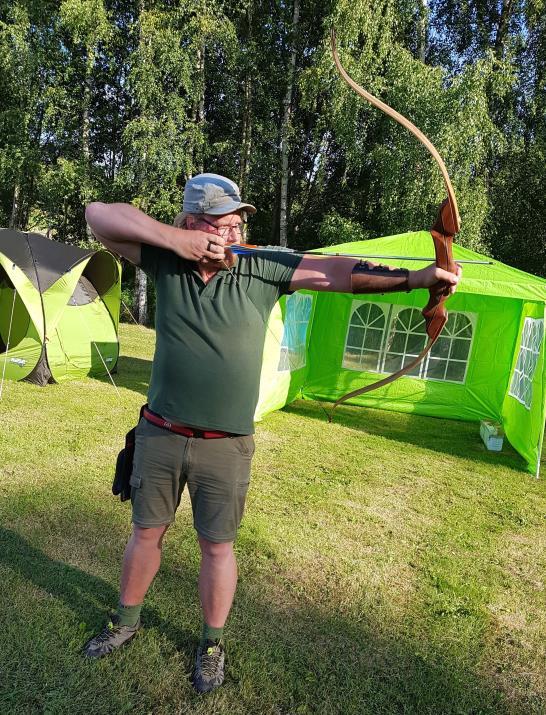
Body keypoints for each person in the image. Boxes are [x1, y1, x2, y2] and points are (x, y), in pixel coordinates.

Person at [82, 173, 461, 693]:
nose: (234, 232)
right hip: (161, 434)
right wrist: (176, 242)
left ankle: (211, 643)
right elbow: (97, 214)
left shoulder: (261, 266)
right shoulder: (164, 260)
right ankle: (125, 622)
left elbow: (335, 273)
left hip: (227, 446)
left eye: (239, 223)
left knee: (218, 545)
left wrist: (419, 279)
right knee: (145, 533)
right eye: (223, 223)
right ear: (193, 222)